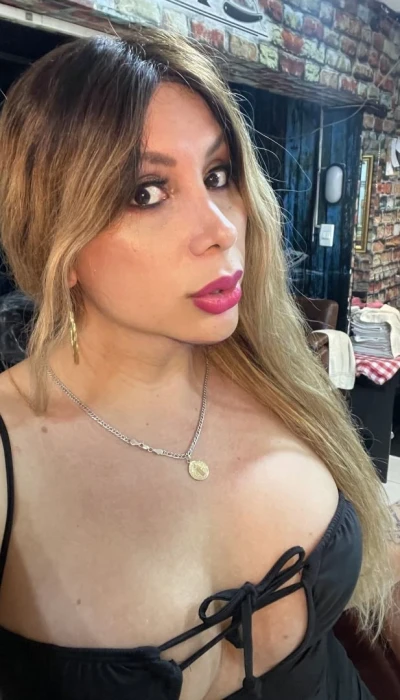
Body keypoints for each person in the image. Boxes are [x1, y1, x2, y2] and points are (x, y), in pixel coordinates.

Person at [0, 27, 397, 700]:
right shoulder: (11, 461)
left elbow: (380, 570)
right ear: (55, 238)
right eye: (146, 192)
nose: (221, 228)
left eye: (218, 175)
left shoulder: (273, 372)